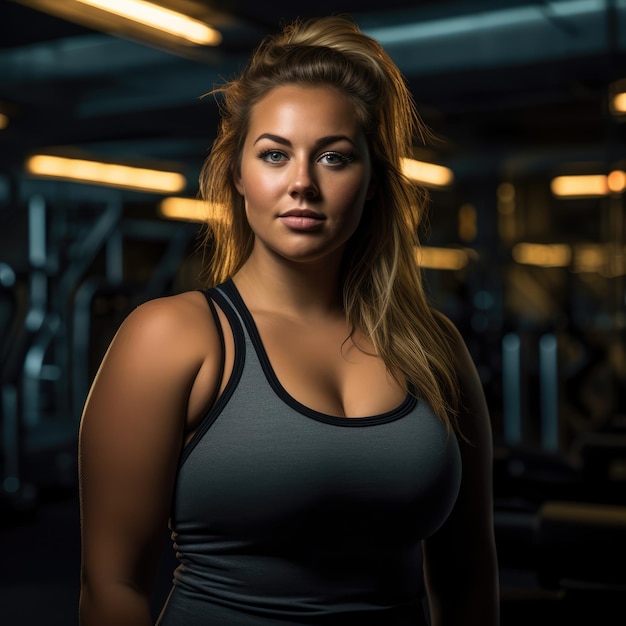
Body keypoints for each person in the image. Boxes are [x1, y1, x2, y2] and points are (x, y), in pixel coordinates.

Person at [78, 15, 499, 626]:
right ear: (237, 176)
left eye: (334, 157)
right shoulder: (172, 338)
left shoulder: (433, 347)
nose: (302, 183)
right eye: (275, 155)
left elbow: (468, 582)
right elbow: (110, 586)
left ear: (374, 182)